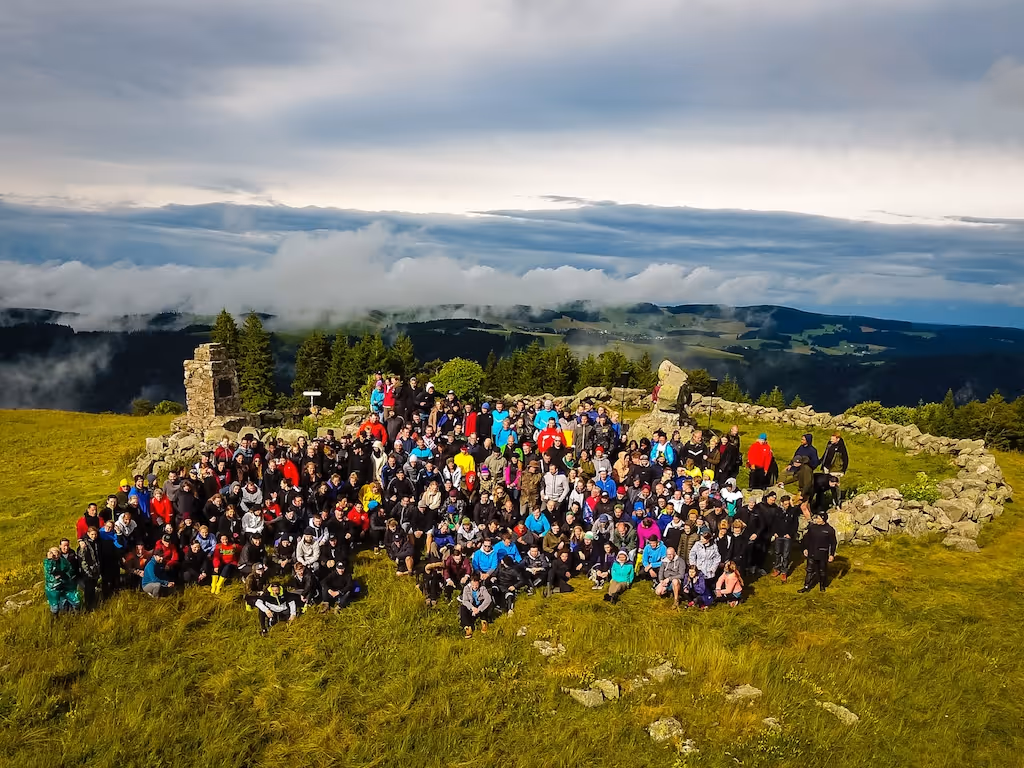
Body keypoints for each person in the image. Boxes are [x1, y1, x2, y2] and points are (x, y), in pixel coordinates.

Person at [799, 511, 838, 593]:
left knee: (822, 571)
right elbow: (806, 539)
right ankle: (806, 586)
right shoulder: (812, 528)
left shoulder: (829, 530)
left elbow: (833, 543)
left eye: (818, 518)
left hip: (823, 554)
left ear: (823, 519)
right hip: (812, 552)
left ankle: (822, 586)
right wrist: (805, 548)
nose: (816, 519)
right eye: (816, 517)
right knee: (809, 570)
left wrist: (831, 554)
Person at [44, 546, 82, 617]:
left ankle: (76, 615)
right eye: (53, 554)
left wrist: (65, 575)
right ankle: (55, 619)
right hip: (53, 587)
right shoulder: (47, 562)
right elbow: (49, 571)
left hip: (66, 584)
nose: (56, 556)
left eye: (57, 553)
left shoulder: (62, 560)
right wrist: (50, 560)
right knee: (55, 607)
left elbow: (70, 569)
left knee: (76, 601)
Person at [770, 495, 800, 581]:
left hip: (787, 536)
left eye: (788, 503)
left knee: (786, 555)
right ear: (782, 503)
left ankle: (784, 571)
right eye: (785, 504)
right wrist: (774, 532)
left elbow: (795, 524)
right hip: (778, 535)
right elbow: (773, 522)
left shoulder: (793, 511)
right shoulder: (777, 511)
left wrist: (790, 534)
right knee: (777, 553)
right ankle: (777, 569)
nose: (787, 505)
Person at [459, 573, 493, 638]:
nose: (474, 587)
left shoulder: (482, 588)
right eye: (473, 585)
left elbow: (488, 599)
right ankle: (468, 627)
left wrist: (479, 609)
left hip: (480, 607)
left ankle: (484, 621)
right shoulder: (466, 588)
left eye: (476, 585)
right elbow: (465, 601)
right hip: (472, 607)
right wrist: (472, 608)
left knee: (486, 603)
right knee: (462, 607)